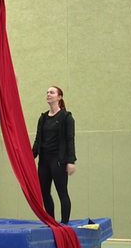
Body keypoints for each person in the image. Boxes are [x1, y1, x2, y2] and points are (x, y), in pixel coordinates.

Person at [32, 86, 76, 224]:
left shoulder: (66, 117)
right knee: (44, 193)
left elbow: (70, 139)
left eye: (52, 92)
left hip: (58, 160)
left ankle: (64, 224)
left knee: (62, 192)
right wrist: (30, 156)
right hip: (44, 160)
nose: (48, 94)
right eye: (47, 92)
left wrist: (71, 161)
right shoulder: (43, 118)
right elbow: (38, 139)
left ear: (59, 97)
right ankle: (51, 222)